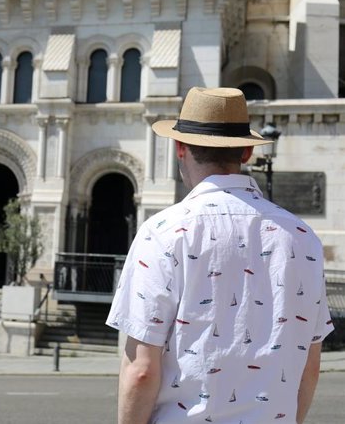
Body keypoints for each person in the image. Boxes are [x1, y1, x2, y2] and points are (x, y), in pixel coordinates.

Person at [106, 87, 334, 424]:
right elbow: (309, 364)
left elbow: (141, 369)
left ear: (180, 148)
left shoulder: (163, 233)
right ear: (245, 153)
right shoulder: (301, 237)